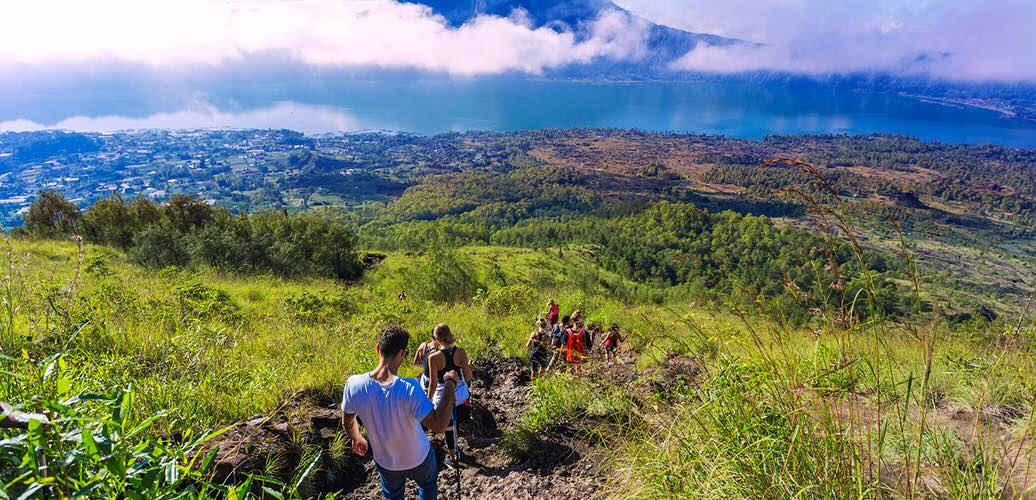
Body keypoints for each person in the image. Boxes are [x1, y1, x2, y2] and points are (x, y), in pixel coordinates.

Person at [341, 325, 458, 500]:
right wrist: (450, 383)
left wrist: (356, 437)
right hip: (419, 458)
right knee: (427, 484)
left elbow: (348, 421)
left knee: (393, 494)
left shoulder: (353, 384)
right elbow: (440, 425)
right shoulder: (410, 388)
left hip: (386, 462)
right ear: (403, 354)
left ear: (378, 348)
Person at [425, 323, 473, 469]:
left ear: (436, 339)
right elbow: (469, 375)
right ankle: (457, 447)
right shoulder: (461, 352)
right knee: (455, 422)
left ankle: (452, 457)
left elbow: (433, 384)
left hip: (442, 397)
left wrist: (427, 401)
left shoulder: (433, 357)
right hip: (461, 397)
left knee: (448, 427)